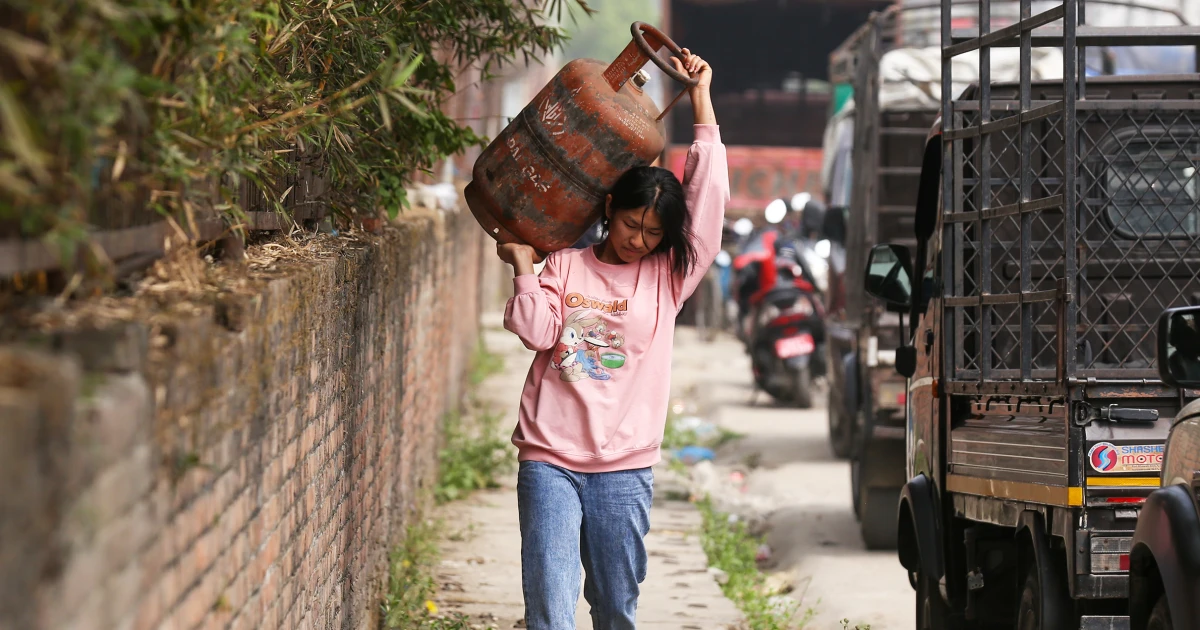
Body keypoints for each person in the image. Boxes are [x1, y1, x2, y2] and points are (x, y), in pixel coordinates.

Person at [495, 49, 726, 629]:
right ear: (608, 209)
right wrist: (525, 269)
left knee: (616, 608)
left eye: (653, 233)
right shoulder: (566, 267)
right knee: (550, 606)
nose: (639, 241)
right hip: (550, 457)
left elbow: (707, 205)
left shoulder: (667, 279)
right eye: (630, 225)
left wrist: (702, 103)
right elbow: (536, 332)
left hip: (625, 468)